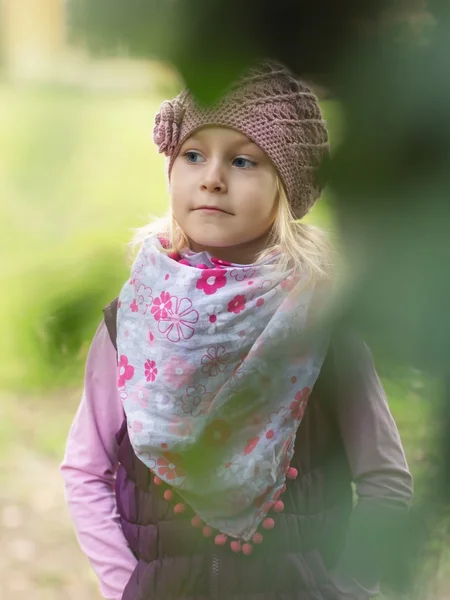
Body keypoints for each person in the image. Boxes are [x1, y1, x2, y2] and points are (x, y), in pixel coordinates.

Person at [61, 61, 413, 600]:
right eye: (193, 155)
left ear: (286, 189)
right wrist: (124, 586)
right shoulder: (131, 321)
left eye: (244, 160)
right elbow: (86, 471)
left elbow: (386, 479)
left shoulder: (323, 326)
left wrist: (345, 588)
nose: (212, 177)